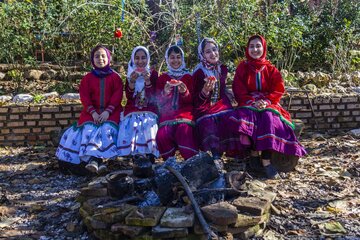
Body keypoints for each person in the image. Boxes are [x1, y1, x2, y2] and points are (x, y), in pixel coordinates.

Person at [232, 35, 306, 179]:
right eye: (251, 46)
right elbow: (238, 89)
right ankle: (253, 157)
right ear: (247, 49)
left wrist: (266, 101)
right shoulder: (243, 67)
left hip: (268, 103)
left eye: (258, 46)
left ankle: (265, 159)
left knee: (269, 118)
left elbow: (278, 89)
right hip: (248, 103)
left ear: (263, 48)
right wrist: (252, 102)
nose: (255, 49)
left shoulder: (271, 69)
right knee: (251, 120)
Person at [56, 45, 123, 175]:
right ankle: (96, 162)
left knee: (106, 130)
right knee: (89, 130)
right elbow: (85, 97)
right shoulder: (87, 79)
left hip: (111, 112)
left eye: (103, 56)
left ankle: (96, 160)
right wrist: (93, 113)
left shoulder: (115, 78)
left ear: (108, 58)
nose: (100, 59)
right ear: (92, 59)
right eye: (97, 56)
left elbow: (117, 96)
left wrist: (107, 112)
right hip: (91, 113)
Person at [193, 37, 250, 168]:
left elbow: (222, 86)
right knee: (209, 121)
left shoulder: (222, 68)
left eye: (214, 49)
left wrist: (227, 91)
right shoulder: (199, 72)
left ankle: (236, 156)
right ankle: (216, 156)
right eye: (208, 52)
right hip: (204, 105)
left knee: (232, 118)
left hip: (221, 102)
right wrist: (205, 91)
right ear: (202, 55)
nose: (213, 54)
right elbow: (195, 98)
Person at [155, 45, 198, 160]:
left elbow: (192, 101)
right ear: (167, 59)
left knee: (184, 131)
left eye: (178, 57)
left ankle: (191, 161)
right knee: (162, 135)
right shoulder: (162, 78)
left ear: (182, 59)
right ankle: (169, 162)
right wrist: (165, 92)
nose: (175, 60)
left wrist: (185, 93)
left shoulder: (189, 77)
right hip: (167, 115)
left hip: (185, 114)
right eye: (172, 57)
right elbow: (158, 102)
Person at [117, 46, 159, 160]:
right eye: (137, 58)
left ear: (148, 59)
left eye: (143, 58)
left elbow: (153, 97)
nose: (140, 61)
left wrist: (148, 81)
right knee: (131, 123)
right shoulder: (130, 74)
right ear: (132, 59)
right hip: (133, 108)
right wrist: (131, 82)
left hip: (149, 108)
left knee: (148, 123)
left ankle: (150, 152)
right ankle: (132, 153)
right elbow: (130, 97)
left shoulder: (153, 74)